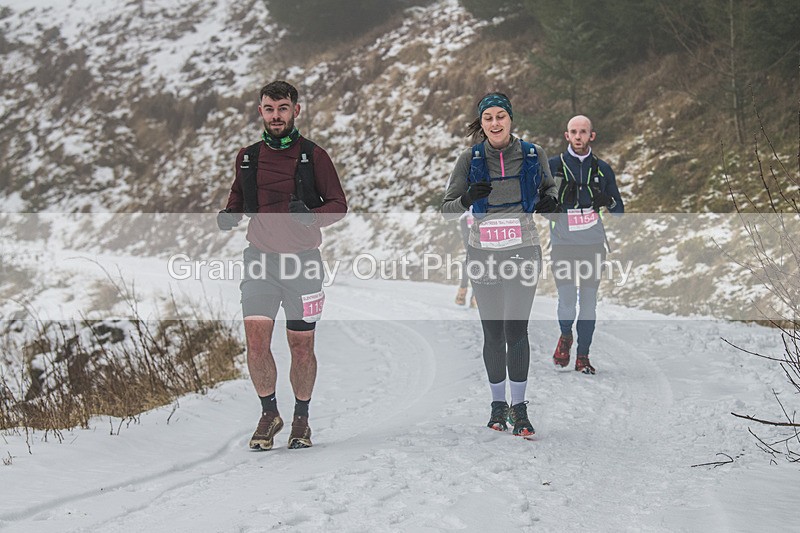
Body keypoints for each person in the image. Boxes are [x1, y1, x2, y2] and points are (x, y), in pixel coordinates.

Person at [217, 80, 347, 450]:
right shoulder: (248, 157)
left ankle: (301, 418)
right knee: (256, 344)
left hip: (303, 264)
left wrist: (311, 217)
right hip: (259, 261)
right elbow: (239, 201)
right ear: (261, 111)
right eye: (270, 109)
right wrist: (229, 216)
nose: (276, 116)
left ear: (296, 111)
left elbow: (338, 205)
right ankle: (269, 413)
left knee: (300, 345)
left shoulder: (313, 156)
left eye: (283, 109)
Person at [441, 92, 559, 437]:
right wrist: (466, 199)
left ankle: (519, 410)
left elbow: (550, 192)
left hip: (523, 249)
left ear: (511, 119)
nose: (495, 123)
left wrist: (550, 204)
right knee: (493, 333)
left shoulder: (533, 154)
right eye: (488, 118)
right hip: (484, 255)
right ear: (481, 123)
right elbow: (446, 208)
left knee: (516, 331)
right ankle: (497, 405)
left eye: (500, 116)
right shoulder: (469, 158)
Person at [548, 115, 623, 375]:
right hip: (563, 244)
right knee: (568, 300)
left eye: (583, 132)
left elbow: (620, 210)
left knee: (589, 304)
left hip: (592, 244)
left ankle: (583, 357)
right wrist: (553, 206)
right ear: (566, 135)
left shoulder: (603, 169)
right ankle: (566, 335)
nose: (578, 136)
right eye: (573, 131)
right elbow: (536, 204)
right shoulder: (554, 166)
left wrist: (607, 199)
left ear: (592, 135)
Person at [454, 209, 477, 308]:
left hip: (485, 216)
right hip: (467, 216)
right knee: (471, 255)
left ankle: (475, 295)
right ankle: (463, 289)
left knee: (483, 258)